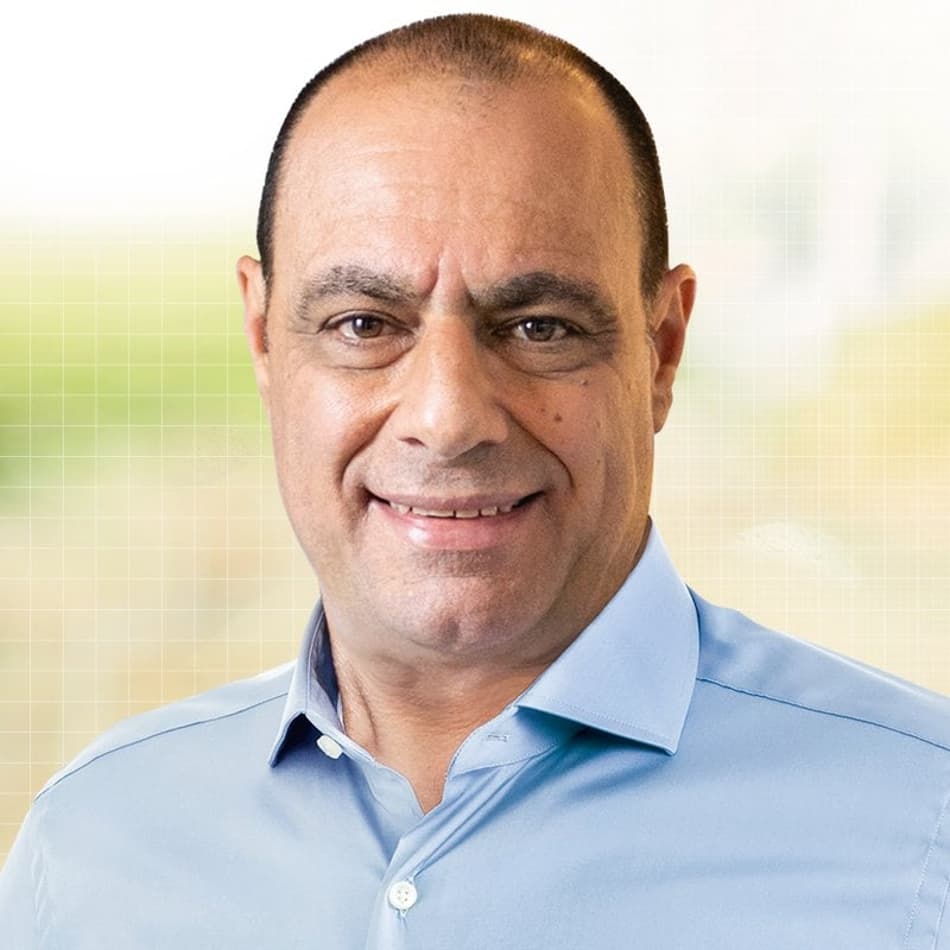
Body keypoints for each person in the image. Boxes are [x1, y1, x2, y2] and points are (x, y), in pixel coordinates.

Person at [2, 14, 948, 948]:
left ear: (662, 351)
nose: (449, 417)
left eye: (540, 327)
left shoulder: (922, 836)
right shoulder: (91, 850)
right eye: (364, 324)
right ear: (262, 340)